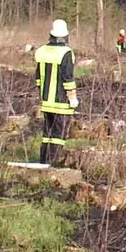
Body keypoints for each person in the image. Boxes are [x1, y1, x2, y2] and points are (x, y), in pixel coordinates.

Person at [34, 19, 79, 166]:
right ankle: (53, 163)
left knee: (47, 134)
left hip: (46, 102)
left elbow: (38, 79)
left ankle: (43, 161)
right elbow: (68, 78)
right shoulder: (66, 53)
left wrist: (42, 94)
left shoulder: (41, 51)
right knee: (59, 135)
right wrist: (72, 97)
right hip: (61, 103)